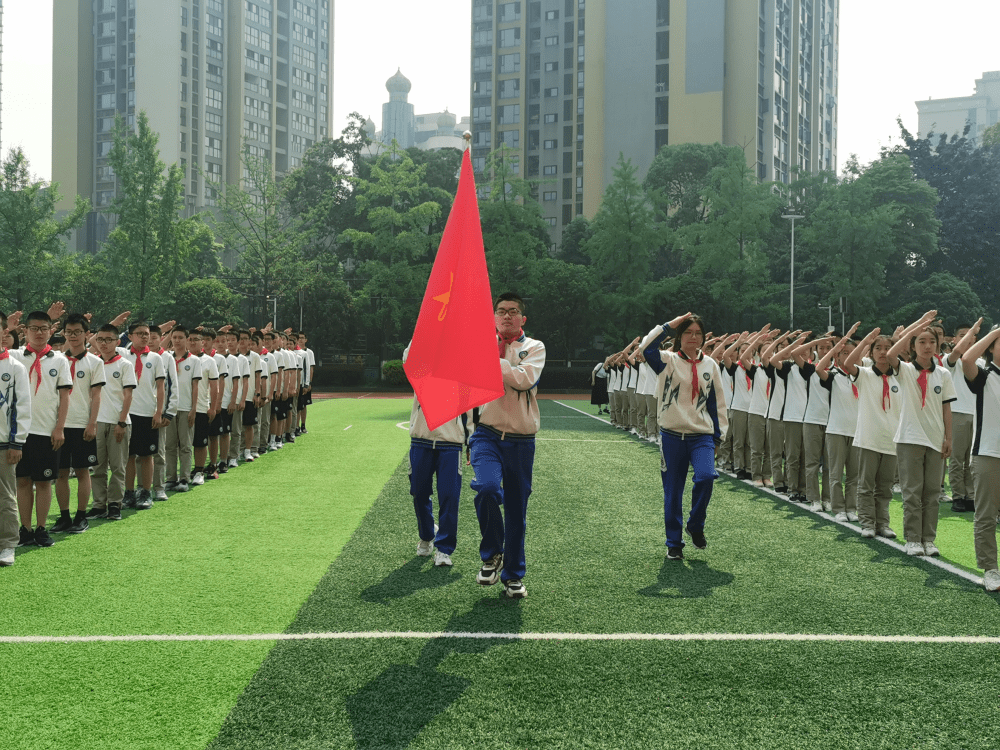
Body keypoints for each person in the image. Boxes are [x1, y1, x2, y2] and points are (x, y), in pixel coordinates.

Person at [470, 292, 545, 599]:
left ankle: (513, 576)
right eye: (501, 311)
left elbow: (522, 380)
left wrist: (494, 359)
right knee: (486, 487)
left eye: (513, 311)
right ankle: (491, 554)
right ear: (493, 316)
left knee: (516, 510)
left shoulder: (534, 348)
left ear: (522, 319)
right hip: (487, 434)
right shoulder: (479, 346)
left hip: (520, 440)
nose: (507, 316)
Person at [642, 312, 728, 560]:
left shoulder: (710, 365)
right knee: (673, 491)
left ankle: (695, 524)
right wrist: (668, 325)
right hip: (671, 435)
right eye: (688, 332)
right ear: (679, 337)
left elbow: (717, 403)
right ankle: (674, 543)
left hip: (701, 435)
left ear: (703, 337)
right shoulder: (667, 360)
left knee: (706, 476)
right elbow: (645, 347)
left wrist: (718, 437)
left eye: (698, 333)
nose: (693, 337)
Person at [886, 310, 955, 556]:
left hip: (936, 440)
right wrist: (920, 325)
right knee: (912, 492)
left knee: (932, 493)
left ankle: (929, 539)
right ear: (913, 346)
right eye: (921, 341)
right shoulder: (904, 370)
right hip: (909, 438)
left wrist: (948, 438)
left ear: (938, 345)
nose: (927, 346)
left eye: (932, 342)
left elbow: (947, 407)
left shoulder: (943, 374)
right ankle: (913, 539)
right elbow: (891, 352)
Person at [402, 341, 472, 567]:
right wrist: (429, 330)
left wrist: (471, 442)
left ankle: (444, 548)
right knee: (419, 492)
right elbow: (408, 357)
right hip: (421, 440)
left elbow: (470, 412)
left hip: (450, 443)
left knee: (449, 496)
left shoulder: (462, 369)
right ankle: (426, 535)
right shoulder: (420, 368)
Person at [12, 311, 72, 548]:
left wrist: (60, 428)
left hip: (47, 431)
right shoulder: (15, 356)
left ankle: (41, 528)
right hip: (19, 432)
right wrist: (7, 328)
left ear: (51, 331)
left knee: (45, 481)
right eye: (33, 328)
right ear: (24, 331)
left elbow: (65, 397)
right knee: (23, 481)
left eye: (44, 328)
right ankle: (25, 528)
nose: (39, 333)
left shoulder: (59, 360)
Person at [844, 327, 902, 539]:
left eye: (888, 348)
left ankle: (883, 523)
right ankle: (867, 522)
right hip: (869, 438)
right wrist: (865, 342)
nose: (883, 352)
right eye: (878, 348)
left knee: (885, 487)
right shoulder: (865, 374)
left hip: (891, 439)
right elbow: (848, 365)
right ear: (871, 352)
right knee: (866, 484)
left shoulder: (900, 377)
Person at [955, 320, 1000, 590]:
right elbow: (967, 358)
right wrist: (996, 330)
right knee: (986, 514)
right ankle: (990, 569)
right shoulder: (984, 375)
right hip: (987, 453)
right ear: (992, 347)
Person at [52, 313, 105, 534]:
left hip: (82, 424)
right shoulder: (56, 360)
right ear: (64, 333)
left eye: (78, 332)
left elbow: (97, 395)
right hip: (58, 425)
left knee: (83, 471)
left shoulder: (95, 362)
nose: (73, 336)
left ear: (87, 334)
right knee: (61, 473)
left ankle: (81, 516)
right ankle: (64, 516)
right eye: (69, 332)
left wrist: (92, 423)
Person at [815, 325, 862, 523]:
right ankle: (838, 508)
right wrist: (835, 349)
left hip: (857, 431)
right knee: (835, 473)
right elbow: (819, 368)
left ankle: (851, 508)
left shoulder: (863, 375)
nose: (847, 356)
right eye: (844, 353)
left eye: (851, 353)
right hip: (836, 430)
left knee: (853, 475)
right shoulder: (833, 375)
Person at [90, 324, 137, 521]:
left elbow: (128, 396)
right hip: (97, 422)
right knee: (97, 467)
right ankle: (99, 504)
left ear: (118, 342)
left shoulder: (125, 365)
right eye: (100, 339)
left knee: (118, 466)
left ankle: (115, 504)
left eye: (109, 340)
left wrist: (121, 422)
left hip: (119, 422)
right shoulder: (93, 363)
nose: (104, 343)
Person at [119, 321, 166, 510]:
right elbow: (98, 341)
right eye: (139, 333)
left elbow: (161, 387)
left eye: (146, 333)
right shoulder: (122, 355)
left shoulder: (155, 358)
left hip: (147, 413)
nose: (145, 337)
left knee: (147, 455)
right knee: (129, 455)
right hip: (127, 413)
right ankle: (128, 492)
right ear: (130, 336)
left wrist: (158, 412)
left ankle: (145, 491)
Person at [0, 311, 30, 566]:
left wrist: (16, 442)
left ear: (4, 332)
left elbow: (22, 407)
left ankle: (8, 544)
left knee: (6, 496)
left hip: (3, 445)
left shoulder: (15, 367)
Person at [163, 326, 201, 493]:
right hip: (169, 408)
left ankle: (184, 478)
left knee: (185, 445)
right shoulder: (166, 359)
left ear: (187, 339)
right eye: (175, 337)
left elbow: (195, 386)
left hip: (186, 407)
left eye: (181, 337)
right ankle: (170, 478)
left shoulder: (194, 361)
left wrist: (194, 409)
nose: (177, 340)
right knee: (169, 445)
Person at [945, 323, 976, 512]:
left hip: (977, 413)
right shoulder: (952, 361)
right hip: (957, 412)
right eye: (963, 335)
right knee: (957, 458)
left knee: (971, 459)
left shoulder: (980, 362)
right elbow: (956, 353)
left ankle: (970, 495)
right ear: (955, 339)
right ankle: (958, 495)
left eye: (970, 336)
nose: (967, 338)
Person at [189, 328, 219, 485]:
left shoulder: (209, 361)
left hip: (201, 407)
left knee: (200, 441)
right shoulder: (178, 358)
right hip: (181, 408)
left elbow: (214, 387)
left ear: (203, 342)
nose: (192, 342)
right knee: (182, 444)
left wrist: (213, 407)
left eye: (196, 339)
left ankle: (199, 470)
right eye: (190, 339)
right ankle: (184, 472)